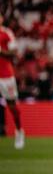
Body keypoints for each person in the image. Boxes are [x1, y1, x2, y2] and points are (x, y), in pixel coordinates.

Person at [0, 13, 25, 149]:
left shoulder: (6, 33)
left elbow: (14, 52)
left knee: (12, 107)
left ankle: (19, 131)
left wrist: (1, 51)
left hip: (5, 75)